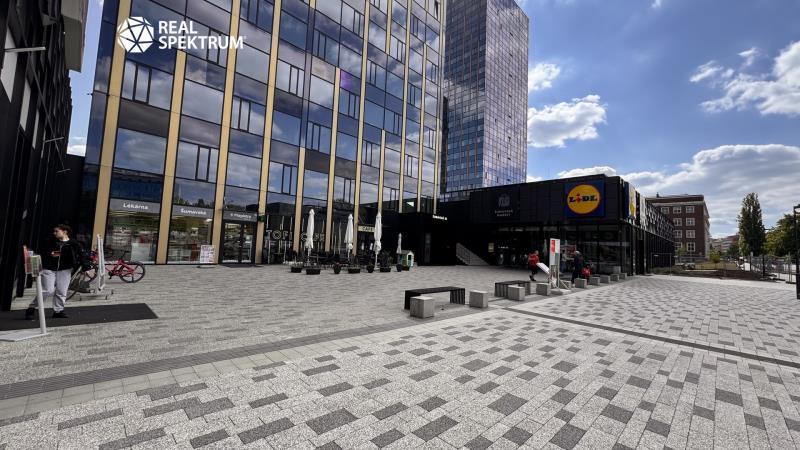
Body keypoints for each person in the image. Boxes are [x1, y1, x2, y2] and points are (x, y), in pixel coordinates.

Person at [25, 224, 83, 319]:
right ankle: (32, 307)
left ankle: (58, 311)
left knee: (62, 290)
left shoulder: (73, 243)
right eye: (54, 231)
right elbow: (40, 252)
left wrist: (83, 264)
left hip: (65, 269)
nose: (54, 233)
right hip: (49, 268)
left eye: (57, 231)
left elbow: (79, 255)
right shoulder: (50, 241)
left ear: (65, 232)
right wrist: (49, 254)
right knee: (47, 290)